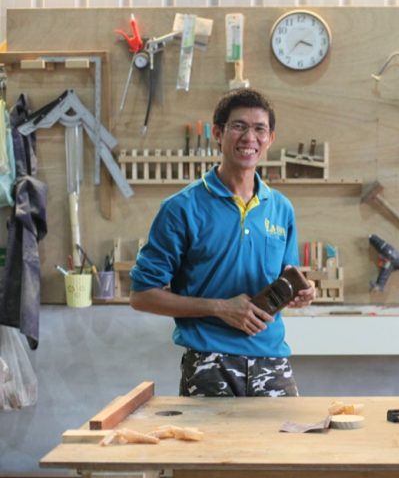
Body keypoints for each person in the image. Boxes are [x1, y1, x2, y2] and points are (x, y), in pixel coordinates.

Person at [130, 88, 315, 397]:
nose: (249, 137)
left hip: (272, 359)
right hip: (209, 361)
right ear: (218, 133)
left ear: (270, 139)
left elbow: (287, 278)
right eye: (239, 126)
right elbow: (141, 296)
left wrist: (304, 292)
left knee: (289, 432)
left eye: (259, 129)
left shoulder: (281, 208)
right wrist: (219, 308)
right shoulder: (181, 208)